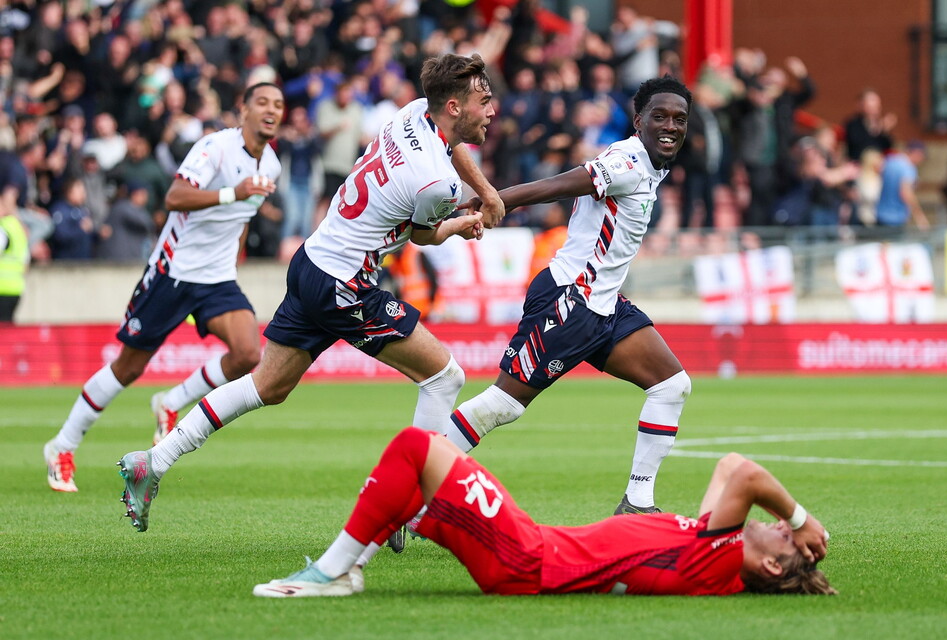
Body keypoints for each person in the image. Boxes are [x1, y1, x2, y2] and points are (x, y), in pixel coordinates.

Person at [117, 53, 505, 534]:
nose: (492, 111)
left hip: (312, 260)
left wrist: (486, 193)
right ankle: (407, 502)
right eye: (483, 102)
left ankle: (152, 462)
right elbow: (426, 235)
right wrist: (462, 224)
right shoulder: (436, 184)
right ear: (452, 105)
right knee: (445, 377)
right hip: (345, 282)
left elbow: (450, 148)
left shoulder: (412, 113)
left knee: (268, 386)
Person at [439, 76, 692, 519]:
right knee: (504, 404)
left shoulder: (653, 166)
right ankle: (411, 490)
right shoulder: (627, 161)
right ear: (638, 121)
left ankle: (638, 502)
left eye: (679, 119)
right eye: (660, 117)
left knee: (671, 386)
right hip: (571, 301)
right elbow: (559, 185)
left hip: (605, 307)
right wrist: (495, 200)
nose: (670, 126)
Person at [252, 427, 835, 597]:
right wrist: (797, 526)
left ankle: (330, 572)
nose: (780, 525)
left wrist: (805, 517)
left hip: (529, 559)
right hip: (531, 551)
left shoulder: (721, 561)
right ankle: (350, 570)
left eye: (785, 539)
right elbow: (733, 475)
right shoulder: (714, 550)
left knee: (416, 447)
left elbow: (746, 472)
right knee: (428, 472)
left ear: (773, 568)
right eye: (788, 527)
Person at [42, 83, 284, 492]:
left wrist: (234, 253)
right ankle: (61, 446)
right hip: (173, 272)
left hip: (217, 277)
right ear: (242, 109)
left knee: (247, 353)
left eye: (278, 104)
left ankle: (170, 402)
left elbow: (241, 220)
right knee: (129, 367)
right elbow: (174, 196)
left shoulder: (273, 165)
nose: (270, 110)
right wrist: (232, 193)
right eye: (262, 102)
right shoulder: (215, 147)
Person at [876, 140, 930, 233]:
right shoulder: (908, 168)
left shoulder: (890, 161)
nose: (921, 161)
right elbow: (905, 193)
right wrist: (919, 216)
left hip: (880, 214)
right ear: (917, 153)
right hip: (896, 217)